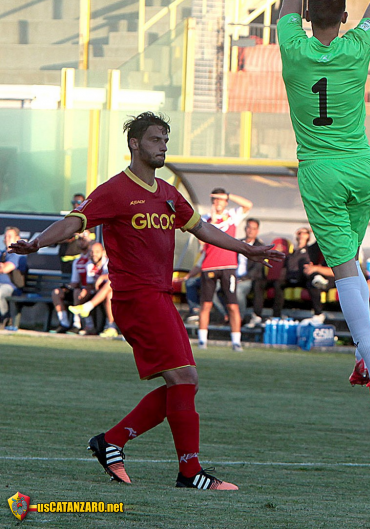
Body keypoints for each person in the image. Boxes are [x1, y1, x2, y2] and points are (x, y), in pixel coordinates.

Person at [10, 111, 284, 490]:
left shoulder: (168, 193)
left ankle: (113, 442)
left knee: (185, 382)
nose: (163, 147)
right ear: (135, 144)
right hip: (137, 298)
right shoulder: (115, 190)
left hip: (160, 297)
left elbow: (202, 228)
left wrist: (246, 249)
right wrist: (38, 241)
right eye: (156, 140)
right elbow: (74, 221)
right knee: (184, 378)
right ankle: (188, 472)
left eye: (166, 141)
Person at [277, 0, 370, 417]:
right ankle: (361, 358)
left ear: (306, 15)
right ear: (345, 17)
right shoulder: (357, 46)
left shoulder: (292, 46)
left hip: (321, 171)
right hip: (363, 169)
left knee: (345, 269)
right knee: (352, 264)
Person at [198, 188, 253, 352]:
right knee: (206, 305)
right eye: (215, 200)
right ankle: (202, 340)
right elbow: (202, 241)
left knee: (233, 305)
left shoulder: (232, 215)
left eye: (221, 199)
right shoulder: (205, 218)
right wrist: (212, 220)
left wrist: (228, 195)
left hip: (228, 266)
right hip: (209, 266)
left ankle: (236, 341)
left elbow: (248, 205)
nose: (218, 203)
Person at [68, 241, 115, 337]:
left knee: (109, 290)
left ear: (103, 252)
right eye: (92, 252)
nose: (94, 254)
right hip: (99, 292)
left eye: (97, 252)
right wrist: (85, 291)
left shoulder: (108, 262)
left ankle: (88, 308)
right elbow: (90, 284)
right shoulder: (89, 264)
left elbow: (115, 276)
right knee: (79, 293)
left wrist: (102, 277)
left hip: (115, 291)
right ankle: (86, 326)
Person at [51, 229, 92, 334]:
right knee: (57, 293)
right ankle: (64, 323)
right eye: (80, 239)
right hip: (79, 289)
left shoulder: (93, 258)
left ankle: (77, 324)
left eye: (84, 239)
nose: (81, 241)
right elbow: (74, 281)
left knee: (77, 292)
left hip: (91, 291)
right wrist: (67, 287)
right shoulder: (77, 261)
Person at [283, 228, 327, 322]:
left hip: (304, 277)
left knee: (306, 267)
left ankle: (316, 277)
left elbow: (322, 239)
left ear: (308, 236)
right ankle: (276, 316)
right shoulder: (292, 252)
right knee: (277, 283)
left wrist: (316, 228)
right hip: (291, 277)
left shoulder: (311, 250)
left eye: (305, 233)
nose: (302, 235)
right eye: (300, 233)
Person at [236, 218, 265, 321]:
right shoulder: (237, 244)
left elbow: (257, 268)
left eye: (254, 228)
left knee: (238, 291)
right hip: (233, 276)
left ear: (257, 231)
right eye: (249, 227)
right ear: (245, 228)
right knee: (215, 287)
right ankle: (226, 314)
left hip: (248, 279)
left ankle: (239, 318)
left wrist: (242, 279)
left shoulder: (260, 247)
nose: (250, 231)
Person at [0, 227, 24, 327]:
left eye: (10, 236)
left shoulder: (18, 254)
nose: (7, 239)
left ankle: (4, 319)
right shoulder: (2, 253)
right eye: (6, 236)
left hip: (12, 287)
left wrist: (3, 266)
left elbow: (6, 269)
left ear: (17, 238)